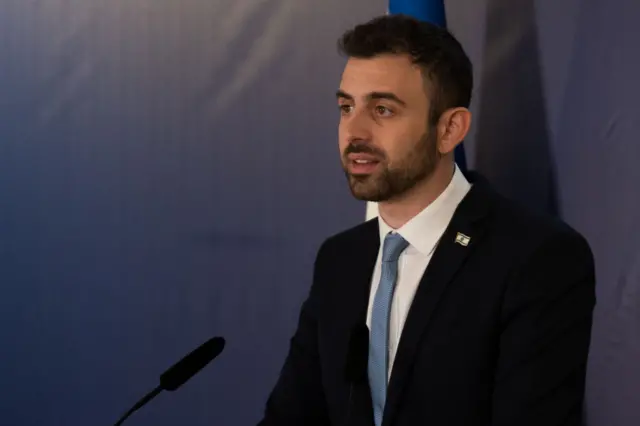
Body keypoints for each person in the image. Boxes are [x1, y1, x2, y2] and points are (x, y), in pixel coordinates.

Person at [258, 14, 595, 426]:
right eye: (346, 107)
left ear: (450, 129)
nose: (354, 131)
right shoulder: (340, 259)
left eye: (382, 109)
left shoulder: (536, 257)